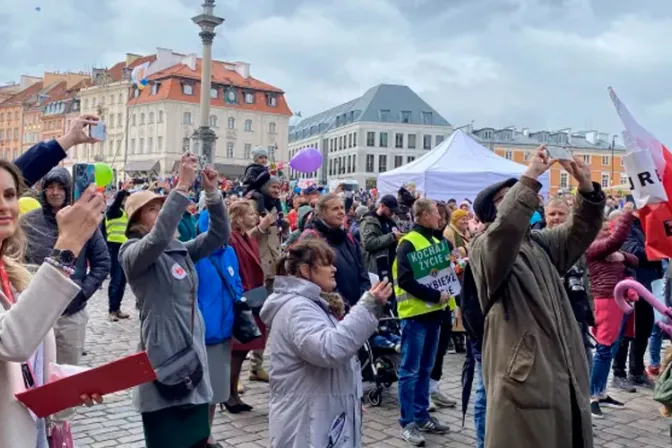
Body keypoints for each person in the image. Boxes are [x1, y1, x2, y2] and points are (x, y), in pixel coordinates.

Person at [469, 146, 603, 448]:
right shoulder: (485, 249)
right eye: (511, 197)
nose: (526, 201)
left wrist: (585, 187)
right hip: (524, 376)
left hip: (555, 366)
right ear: (494, 212)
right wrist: (529, 176)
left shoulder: (538, 244)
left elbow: (579, 231)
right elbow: (503, 233)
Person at [119, 153, 230, 448]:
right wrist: (180, 186)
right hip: (165, 360)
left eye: (161, 206)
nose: (161, 211)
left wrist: (211, 192)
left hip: (193, 356)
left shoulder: (178, 249)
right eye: (152, 209)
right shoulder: (131, 253)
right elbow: (156, 239)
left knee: (197, 440)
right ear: (136, 221)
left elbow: (219, 236)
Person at [0, 164, 105, 447]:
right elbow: (10, 342)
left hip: (30, 427)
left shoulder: (14, 273)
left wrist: (68, 383)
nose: (4, 205)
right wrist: (67, 247)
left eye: (9, 194)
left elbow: (25, 365)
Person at [259, 238, 393, 447]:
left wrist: (348, 400)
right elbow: (329, 350)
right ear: (305, 270)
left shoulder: (313, 304)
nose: (333, 269)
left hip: (318, 416)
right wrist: (367, 307)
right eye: (326, 264)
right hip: (306, 423)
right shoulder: (298, 309)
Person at [22, 167, 111, 366]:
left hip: (70, 315)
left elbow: (102, 262)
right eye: (51, 187)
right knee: (34, 374)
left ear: (68, 190)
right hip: (35, 313)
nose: (55, 192)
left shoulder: (83, 221)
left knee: (66, 374)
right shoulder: (29, 223)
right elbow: (17, 262)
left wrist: (80, 293)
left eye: (60, 188)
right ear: (43, 190)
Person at [393, 198, 452, 446]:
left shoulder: (438, 242)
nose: (440, 218)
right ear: (424, 216)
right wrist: (435, 296)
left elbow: (444, 277)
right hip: (415, 315)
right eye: (436, 214)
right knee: (409, 371)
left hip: (436, 314)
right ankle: (408, 423)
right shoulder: (408, 243)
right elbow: (405, 280)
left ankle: (421, 415)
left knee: (426, 369)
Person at [586, 207, 637, 418]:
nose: (607, 232)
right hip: (604, 299)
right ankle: (591, 396)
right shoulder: (592, 246)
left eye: (608, 228)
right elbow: (614, 241)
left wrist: (622, 255)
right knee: (604, 348)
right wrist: (626, 214)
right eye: (603, 229)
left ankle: (601, 391)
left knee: (612, 347)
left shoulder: (606, 249)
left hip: (617, 299)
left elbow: (634, 260)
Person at [195, 211, 239, 448]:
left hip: (225, 329)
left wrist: (238, 304)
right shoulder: (196, 256)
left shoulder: (229, 252)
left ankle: (208, 432)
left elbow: (236, 282)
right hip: (204, 332)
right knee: (202, 388)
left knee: (217, 387)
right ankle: (197, 433)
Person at [224, 201, 269, 413]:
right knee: (237, 350)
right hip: (241, 298)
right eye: (250, 214)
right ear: (239, 217)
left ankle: (232, 392)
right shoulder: (231, 239)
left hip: (252, 296)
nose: (255, 216)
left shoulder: (246, 237)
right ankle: (229, 394)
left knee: (243, 349)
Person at [613, 209, 664, 390]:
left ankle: (636, 371)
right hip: (631, 285)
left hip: (648, 285)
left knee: (643, 329)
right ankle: (618, 372)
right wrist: (658, 249)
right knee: (626, 332)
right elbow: (633, 252)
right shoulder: (628, 227)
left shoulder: (650, 227)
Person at [300, 193, 371, 307]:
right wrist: (341, 304)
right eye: (335, 209)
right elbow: (313, 279)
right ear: (322, 213)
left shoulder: (348, 237)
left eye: (342, 208)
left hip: (357, 308)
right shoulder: (312, 238)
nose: (341, 212)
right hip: (331, 308)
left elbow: (363, 273)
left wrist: (362, 302)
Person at [248, 175, 284, 383]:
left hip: (272, 271)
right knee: (249, 320)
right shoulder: (252, 205)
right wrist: (261, 226)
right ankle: (235, 369)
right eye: (273, 186)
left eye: (279, 186)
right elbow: (242, 237)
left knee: (265, 321)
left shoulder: (276, 206)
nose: (277, 189)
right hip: (255, 271)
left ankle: (256, 365)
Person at [428, 201, 458, 410]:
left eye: (442, 216)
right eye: (436, 215)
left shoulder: (446, 244)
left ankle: (434, 387)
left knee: (440, 350)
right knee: (428, 351)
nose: (439, 220)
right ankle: (423, 393)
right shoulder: (421, 242)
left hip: (447, 302)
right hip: (428, 304)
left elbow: (449, 275)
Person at [105, 179, 133, 321]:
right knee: (116, 279)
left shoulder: (125, 213)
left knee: (122, 280)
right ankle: (111, 310)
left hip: (125, 248)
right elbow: (116, 202)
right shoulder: (113, 211)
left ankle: (117, 309)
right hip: (114, 248)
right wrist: (123, 190)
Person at [360, 195, 403, 279]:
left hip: (392, 265)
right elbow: (369, 243)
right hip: (377, 268)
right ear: (382, 206)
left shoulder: (390, 220)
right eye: (390, 210)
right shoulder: (369, 221)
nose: (392, 214)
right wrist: (392, 237)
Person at [243, 147, 282, 216]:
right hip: (250, 190)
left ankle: (280, 212)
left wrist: (273, 175)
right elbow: (254, 182)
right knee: (260, 197)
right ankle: (262, 212)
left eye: (265, 157)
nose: (263, 160)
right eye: (261, 158)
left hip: (260, 190)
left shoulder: (265, 169)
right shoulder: (252, 169)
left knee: (276, 198)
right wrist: (267, 173)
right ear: (256, 159)